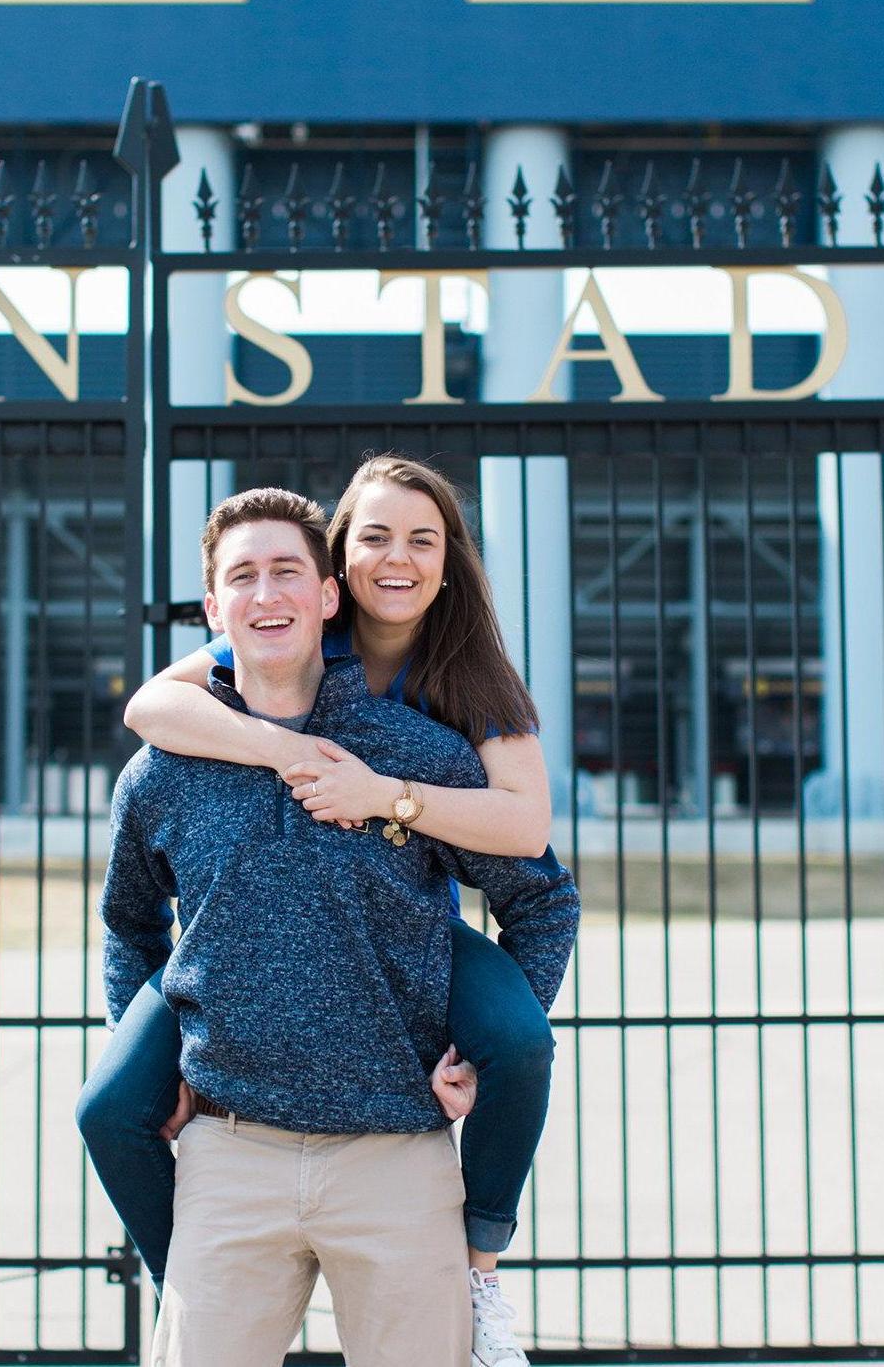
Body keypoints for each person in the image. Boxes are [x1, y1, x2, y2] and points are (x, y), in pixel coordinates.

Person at [80, 453, 567, 1366]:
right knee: (107, 1106)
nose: (268, 594)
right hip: (232, 1152)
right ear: (214, 610)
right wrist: (277, 750)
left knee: (522, 1043)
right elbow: (128, 914)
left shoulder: (448, 712)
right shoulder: (170, 759)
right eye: (243, 578)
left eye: (287, 573)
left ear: (325, 594)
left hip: (396, 1140)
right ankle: (181, 1272)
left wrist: (388, 797)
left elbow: (536, 873)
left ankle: (481, 1262)